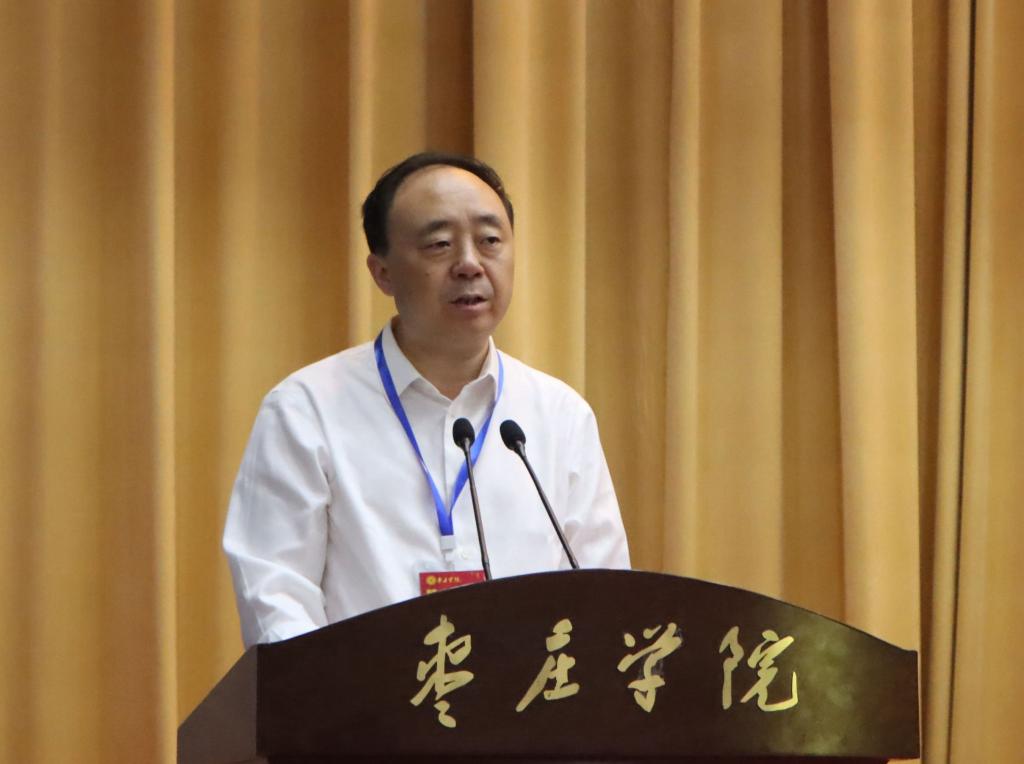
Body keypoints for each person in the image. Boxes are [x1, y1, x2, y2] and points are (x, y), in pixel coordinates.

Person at [223, 152, 630, 647]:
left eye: (490, 240)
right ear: (383, 272)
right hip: (363, 696)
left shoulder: (559, 415)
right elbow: (275, 595)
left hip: (529, 696)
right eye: (439, 244)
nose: (470, 264)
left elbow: (604, 593)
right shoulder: (307, 410)